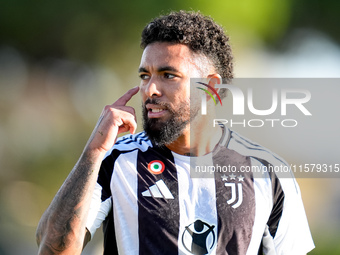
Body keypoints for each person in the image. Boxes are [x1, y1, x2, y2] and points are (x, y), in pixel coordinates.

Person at [36, 10, 314, 255]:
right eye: (145, 76)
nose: (150, 90)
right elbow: (52, 250)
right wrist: (94, 151)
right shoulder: (114, 161)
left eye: (168, 75)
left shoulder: (268, 171)